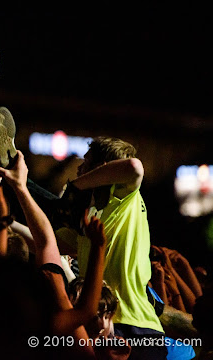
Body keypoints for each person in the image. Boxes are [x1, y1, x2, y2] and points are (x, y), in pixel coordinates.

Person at [55, 136, 167, 359]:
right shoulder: (91, 213)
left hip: (135, 328)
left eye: (86, 163)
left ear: (102, 167)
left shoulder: (124, 196)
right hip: (101, 326)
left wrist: (75, 187)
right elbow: (50, 244)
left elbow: (134, 166)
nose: (79, 168)